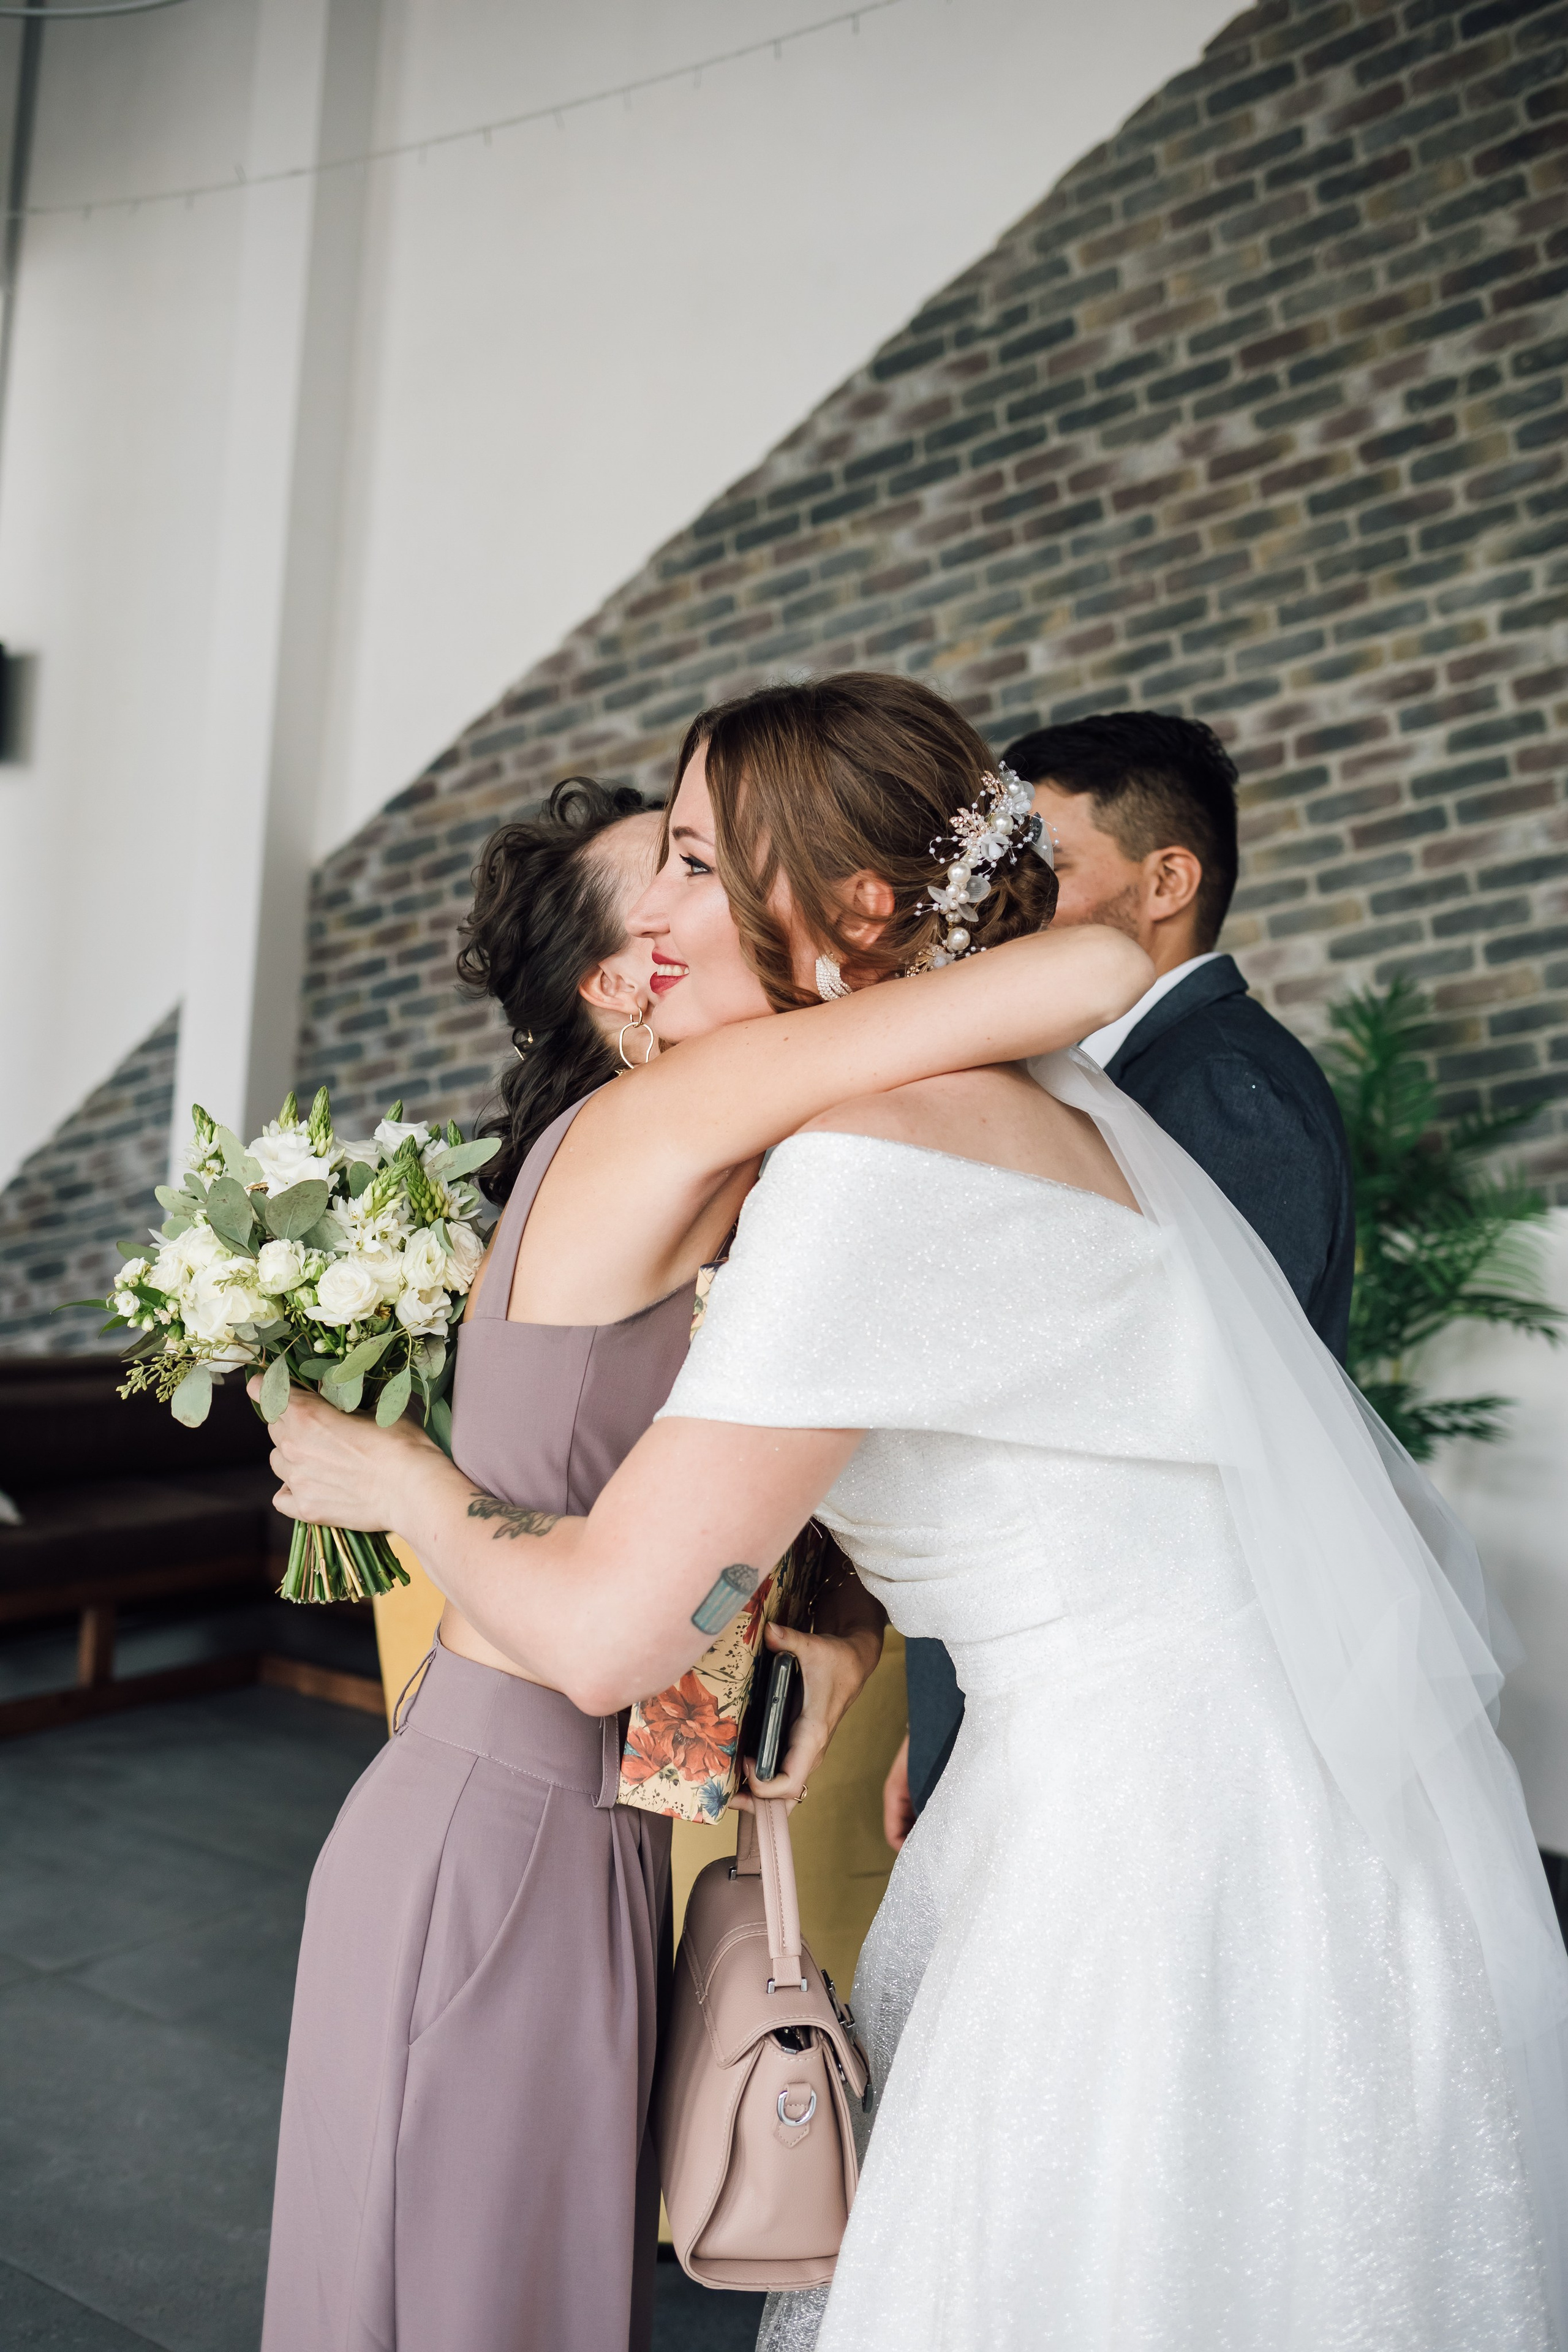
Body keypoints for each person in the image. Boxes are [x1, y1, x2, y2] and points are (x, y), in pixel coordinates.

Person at [270, 702, 1567, 2351]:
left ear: (859, 914)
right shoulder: (1054, 1104)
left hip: (1144, 1846)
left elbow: (613, 1632)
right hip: (1253, 1792)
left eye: (689, 860)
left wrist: (401, 1483)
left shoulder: (867, 1167)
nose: (654, 916)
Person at [260, 680, 1150, 2352]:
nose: (677, 908)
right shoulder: (666, 1114)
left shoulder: (713, 1160)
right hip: (507, 1829)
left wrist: (806, 1621)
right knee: (466, 2299)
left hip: (554, 1827)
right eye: (661, 877)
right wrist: (410, 1485)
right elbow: (1093, 969)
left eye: (698, 866)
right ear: (627, 984)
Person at [889, 708, 1357, 1844]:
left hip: (1155, 1690)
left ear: (1167, 881)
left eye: (1050, 863)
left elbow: (1190, 1410)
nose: (1015, 901)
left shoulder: (1228, 1089)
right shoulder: (1108, 1077)